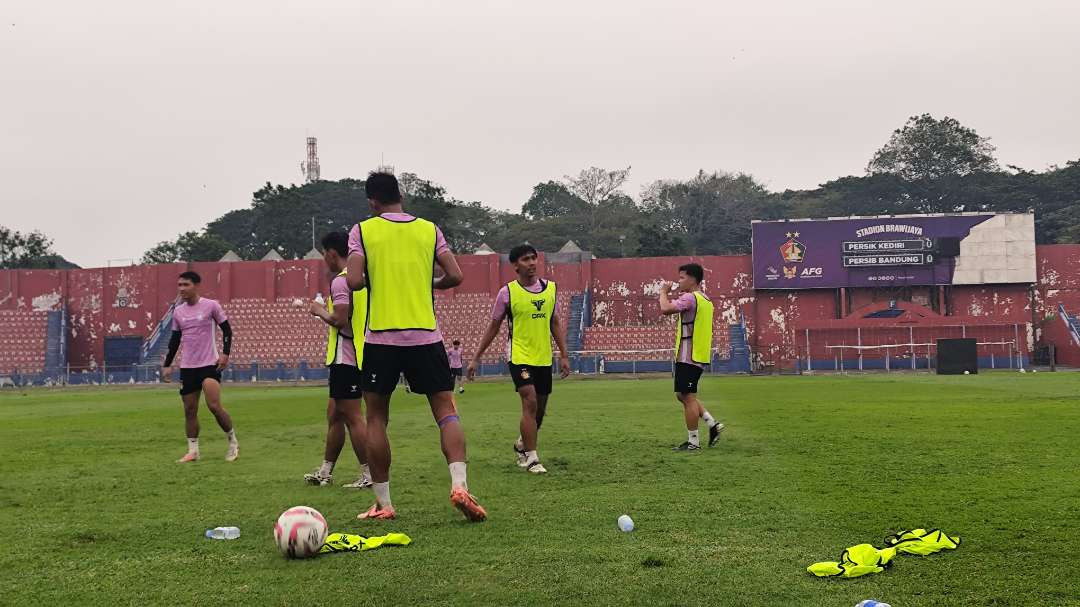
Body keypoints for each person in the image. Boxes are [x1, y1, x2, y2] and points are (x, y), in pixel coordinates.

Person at [345, 171, 486, 522]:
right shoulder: (429, 229)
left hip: (381, 337)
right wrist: (428, 283)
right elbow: (455, 275)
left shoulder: (362, 230)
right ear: (400, 196)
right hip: (426, 334)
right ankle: (459, 486)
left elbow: (353, 281)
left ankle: (383, 504)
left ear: (372, 201)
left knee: (376, 418)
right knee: (446, 410)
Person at [468, 244, 571, 474]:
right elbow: (493, 326)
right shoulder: (507, 293)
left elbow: (554, 323)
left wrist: (564, 354)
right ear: (515, 265)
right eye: (526, 259)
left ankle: (522, 444)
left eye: (534, 258)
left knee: (541, 409)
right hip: (519, 355)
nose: (532, 263)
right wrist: (476, 358)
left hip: (543, 357)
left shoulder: (551, 289)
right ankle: (532, 458)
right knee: (530, 401)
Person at [302, 231, 372, 489]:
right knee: (334, 415)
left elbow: (340, 320)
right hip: (357, 354)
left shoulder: (341, 282)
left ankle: (368, 474)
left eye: (324, 253)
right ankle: (325, 471)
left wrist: (319, 310)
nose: (324, 259)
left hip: (348, 357)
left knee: (353, 417)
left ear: (332, 253)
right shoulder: (361, 280)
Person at [161, 271, 239, 463]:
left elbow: (227, 329)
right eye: (179, 285)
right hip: (188, 367)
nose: (181, 289)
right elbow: (175, 340)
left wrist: (225, 353)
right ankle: (193, 451)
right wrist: (167, 364)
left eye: (185, 285)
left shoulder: (211, 305)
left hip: (209, 364)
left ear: (196, 285)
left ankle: (232, 442)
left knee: (213, 405)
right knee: (189, 410)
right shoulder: (178, 312)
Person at [658, 263, 724, 451]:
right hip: (697, 354)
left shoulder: (690, 297)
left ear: (693, 279)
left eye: (681, 278)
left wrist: (663, 292)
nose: (679, 281)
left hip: (689, 355)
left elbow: (665, 309)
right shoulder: (705, 299)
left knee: (687, 397)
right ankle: (712, 424)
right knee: (683, 395)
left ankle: (693, 442)